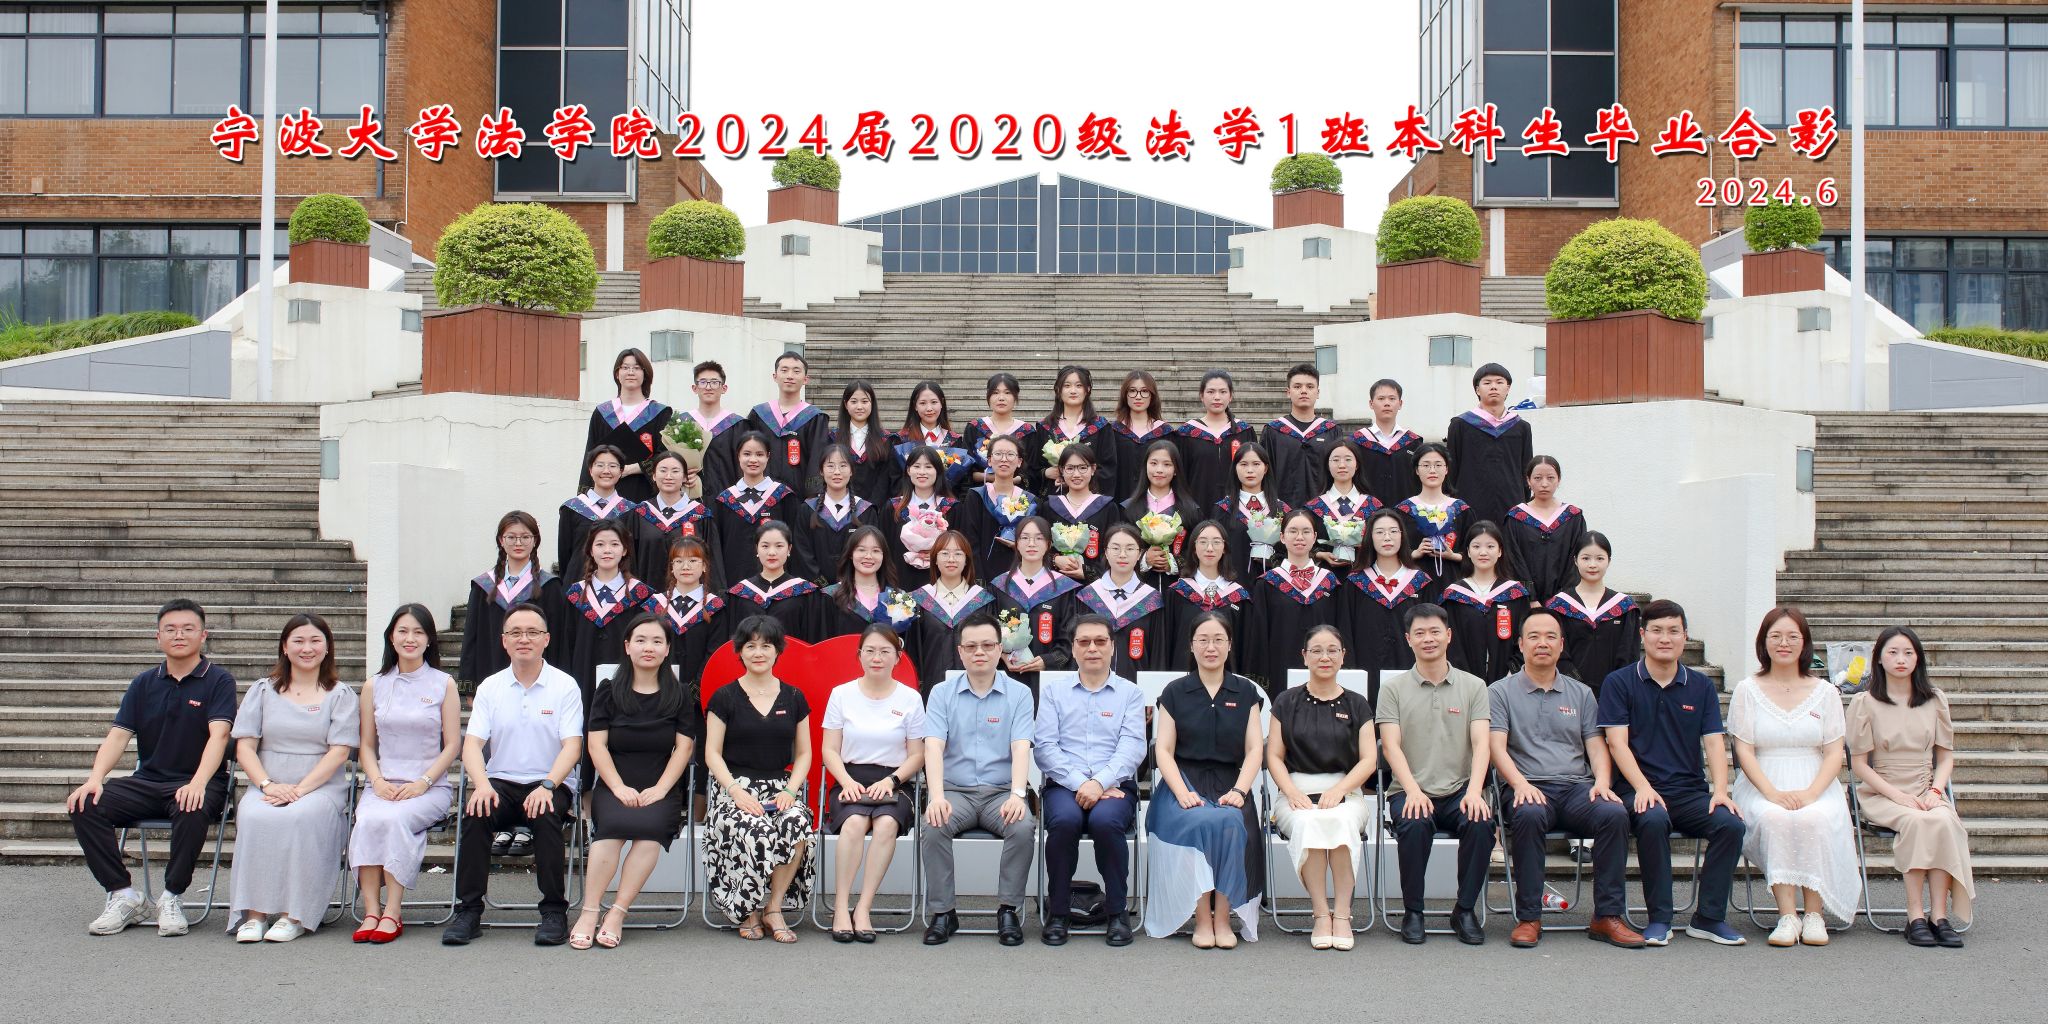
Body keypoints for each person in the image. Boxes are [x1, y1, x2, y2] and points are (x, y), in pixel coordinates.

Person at [69, 599, 236, 937]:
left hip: (201, 782)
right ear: (158, 637)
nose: (179, 635)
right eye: (170, 629)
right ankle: (124, 895)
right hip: (148, 781)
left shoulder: (218, 680)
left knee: (192, 805)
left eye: (187, 629)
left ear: (203, 635)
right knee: (85, 802)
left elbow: (219, 736)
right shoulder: (144, 683)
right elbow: (118, 736)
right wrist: (95, 779)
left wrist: (198, 782)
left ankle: (171, 897)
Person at [1488, 609, 1645, 948]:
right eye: (1533, 637)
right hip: (1526, 785)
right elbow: (1496, 748)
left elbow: (1596, 746)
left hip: (1576, 788)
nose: (1542, 643)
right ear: (1521, 644)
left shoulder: (1581, 693)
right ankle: (1529, 917)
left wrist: (1602, 782)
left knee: (1613, 813)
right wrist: (1519, 784)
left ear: (1561, 645)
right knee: (1528, 814)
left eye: (1550, 637)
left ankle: (1607, 916)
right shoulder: (1499, 692)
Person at [1598, 599, 1747, 947]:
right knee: (1652, 819)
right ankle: (1660, 919)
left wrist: (1721, 790)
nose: (1665, 638)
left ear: (1684, 636)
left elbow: (1714, 742)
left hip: (1689, 791)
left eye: (1673, 631)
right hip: (1637, 789)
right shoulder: (1619, 682)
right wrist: (1642, 787)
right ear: (1642, 635)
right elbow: (1616, 743)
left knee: (1730, 824)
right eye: (1657, 630)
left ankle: (1709, 918)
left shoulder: (1701, 686)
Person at [443, 603, 584, 946]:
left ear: (546, 639)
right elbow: (473, 745)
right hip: (501, 782)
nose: (524, 639)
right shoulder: (491, 687)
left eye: (532, 632)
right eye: (516, 632)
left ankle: (554, 911)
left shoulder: (564, 686)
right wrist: (481, 785)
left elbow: (572, 746)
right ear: (504, 640)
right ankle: (469, 911)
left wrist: (548, 785)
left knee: (546, 813)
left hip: (549, 781)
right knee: (476, 812)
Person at [1729, 607, 1859, 947]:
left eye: (1792, 637)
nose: (1783, 643)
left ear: (1805, 643)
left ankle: (1814, 914)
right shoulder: (1747, 689)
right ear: (1763, 642)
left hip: (1816, 781)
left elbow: (1834, 752)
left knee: (1814, 818)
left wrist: (1812, 793)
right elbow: (1744, 751)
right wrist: (1771, 793)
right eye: (1775, 636)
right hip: (1763, 781)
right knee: (1775, 818)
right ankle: (1787, 916)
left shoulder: (1826, 692)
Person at [225, 614, 358, 942]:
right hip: (268, 783)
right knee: (253, 815)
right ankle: (255, 914)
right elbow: (245, 748)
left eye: (315, 641)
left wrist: (299, 790)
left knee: (300, 817)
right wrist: (267, 785)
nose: (307, 648)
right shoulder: (262, 690)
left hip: (319, 788)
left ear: (327, 647)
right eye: (298, 641)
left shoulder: (340, 695)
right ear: (285, 647)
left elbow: (339, 752)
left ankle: (294, 914)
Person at [574, 614, 697, 949]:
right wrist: (617, 787)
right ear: (627, 646)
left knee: (649, 834)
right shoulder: (608, 691)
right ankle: (589, 911)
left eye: (657, 641)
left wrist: (661, 788)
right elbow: (596, 745)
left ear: (667, 649)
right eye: (640, 640)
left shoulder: (680, 694)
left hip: (660, 787)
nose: (648, 647)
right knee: (610, 833)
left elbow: (684, 748)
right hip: (614, 784)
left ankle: (617, 913)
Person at [1848, 626, 1974, 947]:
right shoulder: (1865, 703)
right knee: (1917, 822)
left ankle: (1938, 916)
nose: (1901, 659)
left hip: (1925, 788)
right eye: (1892, 652)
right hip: (1882, 792)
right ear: (1879, 659)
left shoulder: (1935, 700)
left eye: (1908, 653)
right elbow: (1860, 765)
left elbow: (1945, 758)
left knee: (1943, 820)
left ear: (1918, 659)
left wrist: (1935, 792)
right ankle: (1915, 914)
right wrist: (1898, 796)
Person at [1144, 614, 1266, 945]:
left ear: (1229, 645)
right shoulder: (1175, 692)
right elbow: (1163, 750)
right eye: (1203, 640)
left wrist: (1241, 790)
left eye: (1218, 640)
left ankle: (1222, 919)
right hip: (1182, 782)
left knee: (1231, 821)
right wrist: (1182, 792)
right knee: (1196, 820)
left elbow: (1255, 749)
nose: (1210, 647)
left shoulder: (1245, 691)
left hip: (1231, 783)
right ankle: (1201, 919)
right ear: (1191, 646)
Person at [1378, 603, 1494, 945]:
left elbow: (1482, 743)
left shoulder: (1474, 686)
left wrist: (1475, 792)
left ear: (1448, 635)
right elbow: (1391, 746)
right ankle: (1413, 911)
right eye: (1420, 633)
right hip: (1409, 789)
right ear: (1408, 639)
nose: (1428, 639)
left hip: (1460, 790)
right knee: (1414, 823)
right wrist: (1413, 790)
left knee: (1481, 823)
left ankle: (1465, 910)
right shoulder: (1393, 689)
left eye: (1434, 632)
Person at [921, 614, 1039, 946]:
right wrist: (936, 796)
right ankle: (943, 913)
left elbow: (1021, 746)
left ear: (1000, 649)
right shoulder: (942, 693)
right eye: (971, 646)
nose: (980, 652)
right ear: (960, 652)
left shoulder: (1019, 693)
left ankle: (1008, 910)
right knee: (933, 825)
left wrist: (1018, 794)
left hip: (1000, 793)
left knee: (1022, 826)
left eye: (988, 645)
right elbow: (933, 746)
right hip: (955, 792)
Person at [349, 605, 460, 944]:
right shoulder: (375, 685)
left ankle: (393, 912)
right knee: (368, 820)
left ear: (429, 640)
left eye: (418, 632)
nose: (410, 639)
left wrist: (422, 783)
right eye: (403, 631)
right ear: (391, 637)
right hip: (382, 785)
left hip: (430, 788)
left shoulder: (443, 684)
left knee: (396, 820)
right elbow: (367, 745)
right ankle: (371, 910)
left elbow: (452, 745)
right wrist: (378, 781)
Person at [702, 615, 816, 943]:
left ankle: (773, 908)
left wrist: (791, 791)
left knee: (797, 824)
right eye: (750, 646)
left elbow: (804, 753)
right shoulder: (725, 697)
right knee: (756, 829)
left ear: (778, 650)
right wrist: (735, 791)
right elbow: (712, 753)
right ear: (739, 651)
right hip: (734, 789)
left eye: (766, 645)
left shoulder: (794, 697)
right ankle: (748, 909)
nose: (758, 653)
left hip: (780, 790)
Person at [1036, 615, 1148, 946]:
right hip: (1064, 786)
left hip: (1115, 787)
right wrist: (1080, 783)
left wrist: (1099, 783)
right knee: (1065, 822)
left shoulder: (1130, 694)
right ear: (1073, 649)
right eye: (1084, 642)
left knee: (1105, 822)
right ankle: (1059, 913)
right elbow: (1045, 747)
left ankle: (1117, 913)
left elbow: (1132, 747)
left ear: (1113, 646)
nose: (1092, 648)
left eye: (1100, 641)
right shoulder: (1054, 692)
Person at [1267, 624, 1376, 951]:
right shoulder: (1286, 701)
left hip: (1346, 792)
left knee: (1340, 821)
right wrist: (1291, 792)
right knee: (1309, 822)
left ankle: (1341, 914)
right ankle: (1320, 913)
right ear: (1304, 656)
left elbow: (1369, 760)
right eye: (1316, 650)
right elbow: (1274, 756)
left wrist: (1340, 790)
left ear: (1343, 656)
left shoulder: (1357, 704)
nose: (1324, 657)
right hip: (1296, 791)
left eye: (1332, 650)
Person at [821, 625, 928, 942]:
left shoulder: (910, 698)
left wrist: (892, 780)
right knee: (854, 823)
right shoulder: (842, 694)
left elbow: (917, 755)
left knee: (885, 825)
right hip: (850, 779)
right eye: (869, 651)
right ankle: (841, 907)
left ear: (898, 657)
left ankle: (863, 908)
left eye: (884, 651)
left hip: (895, 781)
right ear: (859, 656)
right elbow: (829, 750)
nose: (876, 658)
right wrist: (846, 781)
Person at [561, 521, 658, 752]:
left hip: (626, 675)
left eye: (614, 544)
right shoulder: (575, 595)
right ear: (590, 550)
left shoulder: (641, 595)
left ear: (624, 550)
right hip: (582, 675)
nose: (607, 550)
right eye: (600, 544)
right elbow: (566, 642)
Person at [1241, 509, 1342, 693]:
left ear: (1315, 537)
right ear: (1282, 537)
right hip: (1279, 672)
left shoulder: (1329, 583)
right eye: (1293, 531)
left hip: (1323, 671)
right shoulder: (1268, 583)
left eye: (1306, 531)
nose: (1299, 537)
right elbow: (1259, 637)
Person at [461, 510, 567, 683]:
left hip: (539, 680)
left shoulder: (550, 586)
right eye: (511, 537)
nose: (518, 543)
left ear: (535, 541)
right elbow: (471, 639)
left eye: (525, 537)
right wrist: (469, 686)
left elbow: (559, 641)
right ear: (501, 540)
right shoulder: (483, 586)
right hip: (489, 675)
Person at [987, 516, 1080, 693]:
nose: (1031, 544)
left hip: (1049, 680)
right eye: (1025, 537)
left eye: (1039, 538)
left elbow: (1070, 637)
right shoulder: (999, 586)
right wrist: (1002, 655)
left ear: (1048, 544)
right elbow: (988, 632)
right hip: (1008, 676)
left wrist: (1049, 660)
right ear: (1016, 543)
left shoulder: (1064, 588)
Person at [1342, 509, 1431, 688]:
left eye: (1393, 531)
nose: (1387, 538)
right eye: (1380, 532)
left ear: (1402, 536)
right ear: (1370, 537)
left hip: (1412, 671)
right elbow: (1346, 631)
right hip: (1365, 672)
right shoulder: (1356, 582)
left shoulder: (1420, 582)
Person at [1069, 523, 1170, 679]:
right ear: (1106, 552)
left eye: (1130, 549)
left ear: (1139, 554)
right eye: (1115, 548)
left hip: (1137, 688)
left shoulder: (1151, 600)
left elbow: (1158, 654)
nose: (1122, 555)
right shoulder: (1088, 596)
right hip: (1092, 684)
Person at [1548, 532, 1641, 695]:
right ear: (1575, 560)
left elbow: (1628, 655)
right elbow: (1559, 653)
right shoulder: (1559, 605)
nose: (1592, 565)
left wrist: (1615, 687)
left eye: (1599, 558)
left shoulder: (1624, 607)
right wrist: (1579, 688)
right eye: (1585, 558)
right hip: (1569, 693)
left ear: (1609, 561)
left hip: (1615, 692)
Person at [1444, 362, 1533, 532]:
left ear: (1508, 388)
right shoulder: (1460, 425)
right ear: (1477, 390)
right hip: (1470, 503)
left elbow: (1526, 469)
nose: (1493, 387)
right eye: (1487, 383)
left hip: (1512, 504)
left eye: (1499, 382)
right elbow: (1451, 469)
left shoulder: (1521, 427)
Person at [907, 530, 997, 692]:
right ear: (934, 559)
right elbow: (913, 650)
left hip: (977, 688)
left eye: (958, 554)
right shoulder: (919, 600)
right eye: (944, 553)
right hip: (932, 687)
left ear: (966, 560)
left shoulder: (982, 600)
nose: (951, 559)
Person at [1441, 521, 1530, 684]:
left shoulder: (1515, 593)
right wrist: (1463, 678)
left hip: (1509, 682)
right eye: (1476, 546)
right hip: (1463, 683)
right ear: (1468, 552)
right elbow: (1450, 642)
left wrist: (1513, 671)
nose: (1483, 552)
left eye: (1490, 546)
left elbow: (1525, 636)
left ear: (1500, 551)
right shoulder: (1453, 595)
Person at [582, 348, 672, 506]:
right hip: (605, 496)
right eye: (625, 367)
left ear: (645, 374)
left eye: (637, 368)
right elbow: (590, 456)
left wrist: (631, 469)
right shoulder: (602, 413)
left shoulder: (659, 413)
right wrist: (584, 498)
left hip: (645, 493)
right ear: (617, 374)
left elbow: (665, 457)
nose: (631, 372)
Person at [709, 432, 800, 585]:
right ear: (738, 456)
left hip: (778, 584)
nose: (753, 460)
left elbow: (795, 543)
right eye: (747, 454)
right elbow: (716, 548)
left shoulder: (784, 497)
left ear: (768, 456)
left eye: (759, 454)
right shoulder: (724, 500)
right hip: (733, 583)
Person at [1162, 519, 1249, 674]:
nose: (1209, 548)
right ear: (1194, 548)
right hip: (1183, 678)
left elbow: (1245, 647)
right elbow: (1166, 644)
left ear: (1224, 548)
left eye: (1216, 542)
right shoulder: (1177, 593)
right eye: (1203, 542)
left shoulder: (1239, 597)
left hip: (1228, 680)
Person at [1503, 456, 1588, 607]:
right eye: (1537, 478)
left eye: (1550, 478)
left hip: (1565, 603)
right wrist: (1531, 598)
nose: (1544, 484)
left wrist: (1562, 599)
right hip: (1526, 603)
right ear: (1528, 480)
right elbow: (1513, 560)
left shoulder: (1572, 517)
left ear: (1559, 480)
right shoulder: (1516, 517)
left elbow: (1576, 560)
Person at [745, 350, 831, 499]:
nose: (790, 376)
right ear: (775, 376)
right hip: (760, 496)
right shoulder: (759, 414)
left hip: (799, 498)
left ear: (805, 379)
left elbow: (816, 461)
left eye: (796, 371)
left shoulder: (815, 417)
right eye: (784, 370)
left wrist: (812, 498)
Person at [1260, 362, 1345, 511]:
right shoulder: (1273, 431)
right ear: (1288, 392)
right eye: (1297, 386)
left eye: (1310, 387)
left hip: (1325, 511)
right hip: (1282, 510)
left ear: (1318, 393)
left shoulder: (1331, 431)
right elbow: (1264, 474)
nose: (1304, 391)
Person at [1120, 438, 1200, 593]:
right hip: (1136, 590)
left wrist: (1173, 563)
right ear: (1145, 466)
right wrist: (1144, 558)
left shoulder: (1190, 510)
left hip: (1178, 590)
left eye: (1167, 464)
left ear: (1176, 470)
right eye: (1153, 463)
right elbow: (1118, 548)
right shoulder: (1129, 509)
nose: (1159, 470)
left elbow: (1196, 551)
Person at [955, 433, 1038, 580]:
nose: (1004, 459)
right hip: (982, 576)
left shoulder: (1029, 500)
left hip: (1020, 576)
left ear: (1019, 461)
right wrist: (978, 580)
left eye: (1010, 454)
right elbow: (969, 541)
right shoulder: (976, 496)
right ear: (989, 460)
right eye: (998, 454)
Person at [792, 444, 879, 585]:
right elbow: (802, 553)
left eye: (843, 466)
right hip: (815, 590)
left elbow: (871, 552)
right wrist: (822, 585)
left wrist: (847, 585)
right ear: (821, 471)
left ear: (851, 471)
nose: (837, 472)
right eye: (830, 466)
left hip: (854, 588)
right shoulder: (807, 510)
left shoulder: (866, 511)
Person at [1395, 442, 1470, 601]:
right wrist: (1414, 553)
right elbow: (1390, 553)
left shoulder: (1461, 509)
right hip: (1413, 585)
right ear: (1417, 470)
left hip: (1453, 583)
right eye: (1426, 465)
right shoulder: (1404, 510)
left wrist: (1453, 556)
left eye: (1438, 465)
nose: (1432, 470)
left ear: (1447, 469)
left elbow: (1475, 551)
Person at [727, 520, 823, 642]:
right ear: (757, 549)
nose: (772, 552)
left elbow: (813, 639)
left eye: (779, 546)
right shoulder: (740, 593)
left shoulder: (806, 592)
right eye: (765, 546)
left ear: (789, 549)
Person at [1174, 370, 1255, 511]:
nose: (1217, 397)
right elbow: (1179, 477)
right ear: (1201, 396)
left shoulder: (1244, 431)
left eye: (1223, 392)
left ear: (1231, 396)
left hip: (1238, 509)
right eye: (1211, 392)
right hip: (1196, 508)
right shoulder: (1186, 434)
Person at [631, 450, 712, 588]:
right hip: (647, 595)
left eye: (675, 471)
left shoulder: (700, 515)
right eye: (663, 470)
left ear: (685, 477)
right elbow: (631, 559)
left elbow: (711, 560)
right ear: (654, 476)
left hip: (689, 594)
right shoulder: (640, 513)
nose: (668, 476)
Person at [818, 526, 913, 639]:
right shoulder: (832, 596)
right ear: (850, 554)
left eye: (876, 551)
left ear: (883, 556)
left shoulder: (898, 597)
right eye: (861, 550)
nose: (868, 556)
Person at [558, 445, 638, 580]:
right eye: (600, 465)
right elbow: (564, 555)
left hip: (619, 585)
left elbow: (633, 555)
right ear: (590, 470)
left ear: (621, 471)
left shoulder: (631, 511)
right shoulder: (572, 508)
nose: (606, 471)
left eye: (612, 466)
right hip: (578, 582)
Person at [1046, 443, 1119, 584]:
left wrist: (1088, 572)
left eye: (1083, 467)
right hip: (1055, 586)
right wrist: (1055, 559)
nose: (1076, 474)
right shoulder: (1049, 506)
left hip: (1096, 586)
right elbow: (1040, 547)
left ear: (1093, 469)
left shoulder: (1108, 508)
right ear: (1061, 470)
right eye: (1070, 468)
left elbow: (1113, 551)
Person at [1040, 364, 1117, 498]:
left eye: (1079, 386)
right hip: (1054, 499)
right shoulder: (1045, 427)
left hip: (1090, 500)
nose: (1073, 391)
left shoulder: (1101, 427)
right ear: (1058, 390)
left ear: (1088, 389)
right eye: (1067, 386)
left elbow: (1108, 469)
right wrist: (1046, 473)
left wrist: (1078, 478)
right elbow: (1033, 468)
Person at [1216, 440, 1289, 579]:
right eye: (1243, 464)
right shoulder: (1223, 509)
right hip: (1233, 583)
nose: (1250, 470)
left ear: (1265, 468)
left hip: (1272, 583)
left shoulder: (1281, 510)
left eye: (1256, 464)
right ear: (1235, 468)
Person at [1305, 440, 1381, 572]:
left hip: (1366, 575)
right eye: (1335, 460)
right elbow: (1301, 542)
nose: (1342, 465)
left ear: (1357, 465)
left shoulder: (1373, 506)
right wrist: (1319, 554)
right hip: (1325, 576)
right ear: (1327, 465)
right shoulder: (1314, 508)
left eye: (1348, 459)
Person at [681, 359, 750, 501]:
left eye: (714, 382)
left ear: (724, 388)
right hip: (688, 499)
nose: (708, 387)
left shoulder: (737, 424)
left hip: (728, 499)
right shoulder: (682, 423)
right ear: (694, 388)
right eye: (703, 382)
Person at [884, 444, 960, 573]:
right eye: (917, 466)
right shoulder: (893, 507)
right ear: (908, 471)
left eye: (928, 467)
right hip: (900, 576)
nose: (922, 472)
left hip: (940, 576)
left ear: (938, 471)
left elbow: (960, 547)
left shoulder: (952, 507)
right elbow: (885, 547)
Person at [1352, 378, 1425, 511]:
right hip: (1366, 513)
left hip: (1405, 513)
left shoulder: (1413, 443)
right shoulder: (1357, 442)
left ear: (1400, 403)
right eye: (1381, 399)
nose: (1387, 403)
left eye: (1392, 399)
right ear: (1371, 403)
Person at [962, 371, 1043, 489]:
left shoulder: (1027, 432)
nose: (1001, 398)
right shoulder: (974, 428)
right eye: (995, 393)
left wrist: (1016, 479)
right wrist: (989, 477)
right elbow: (965, 469)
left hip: (1016, 496)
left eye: (1007, 393)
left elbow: (1033, 471)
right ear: (988, 396)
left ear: (1015, 397)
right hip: (981, 493)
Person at [834, 379, 900, 507]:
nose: (859, 407)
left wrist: (870, 509)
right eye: (854, 401)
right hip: (841, 508)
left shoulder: (886, 440)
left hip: (877, 509)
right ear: (846, 404)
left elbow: (887, 479)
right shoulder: (833, 439)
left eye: (864, 401)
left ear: (872, 404)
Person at [1110, 370, 1173, 501]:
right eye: (1132, 391)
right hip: (1120, 499)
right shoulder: (1113, 431)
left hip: (1156, 502)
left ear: (1152, 396)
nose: (1138, 397)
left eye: (1144, 391)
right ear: (1125, 395)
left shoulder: (1165, 432)